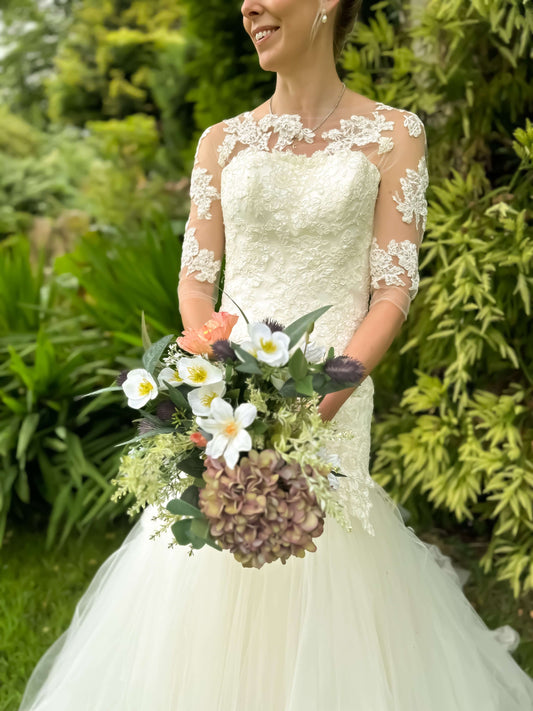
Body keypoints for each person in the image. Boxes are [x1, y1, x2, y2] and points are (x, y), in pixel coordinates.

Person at [19, 1, 533, 709]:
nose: (247, 6)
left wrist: (316, 402)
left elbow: (391, 292)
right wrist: (228, 394)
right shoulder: (221, 142)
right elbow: (196, 282)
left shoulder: (394, 133)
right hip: (230, 410)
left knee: (331, 565)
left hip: (335, 406)